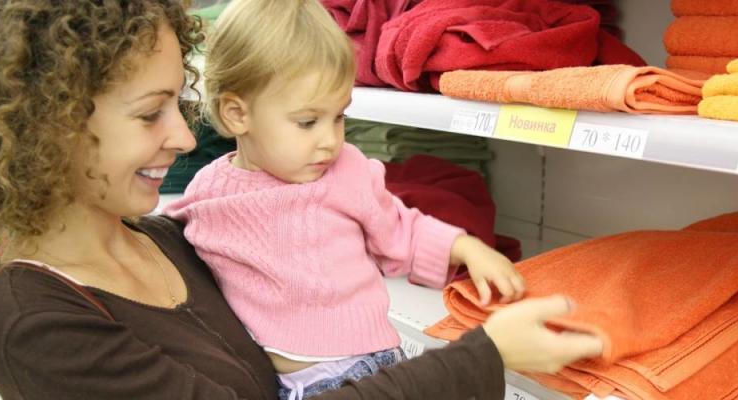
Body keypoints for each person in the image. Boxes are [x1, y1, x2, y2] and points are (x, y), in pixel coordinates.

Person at [0, 1, 603, 399]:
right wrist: (486, 359)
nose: (182, 134)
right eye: (149, 114)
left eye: (180, 102)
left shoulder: (177, 238)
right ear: (46, 124)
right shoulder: (36, 321)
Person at [160, 2, 527, 398]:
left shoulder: (346, 171)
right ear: (236, 114)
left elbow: (399, 230)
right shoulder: (207, 193)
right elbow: (173, 249)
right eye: (307, 122)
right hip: (277, 383)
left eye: (339, 117)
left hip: (367, 369)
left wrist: (466, 247)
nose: (330, 140)